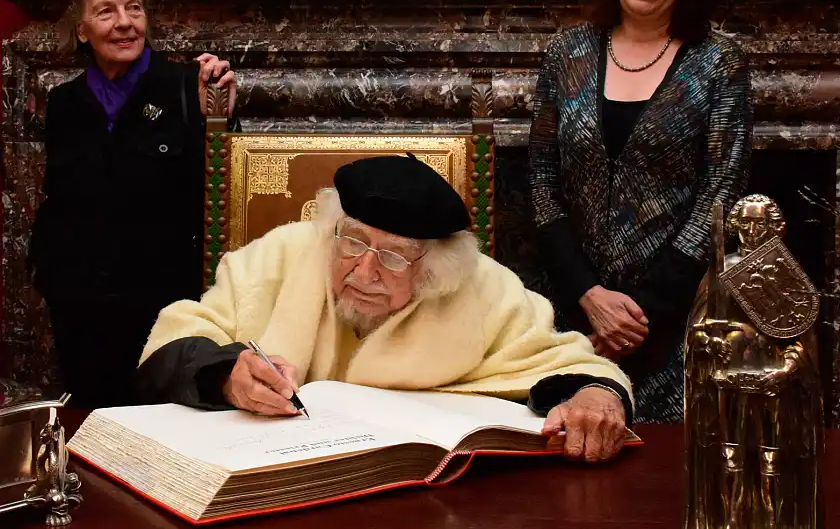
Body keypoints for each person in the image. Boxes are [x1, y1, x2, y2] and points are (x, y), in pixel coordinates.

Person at [137, 155, 633, 462]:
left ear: (435, 270)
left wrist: (596, 397)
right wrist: (225, 374)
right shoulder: (280, 255)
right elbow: (176, 337)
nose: (365, 271)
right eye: (352, 242)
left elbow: (574, 365)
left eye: (394, 257)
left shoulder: (482, 287)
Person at [528, 0, 753, 422]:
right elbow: (540, 182)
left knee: (656, 462)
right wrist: (588, 295)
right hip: (569, 317)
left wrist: (637, 317)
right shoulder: (566, 54)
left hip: (674, 325)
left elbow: (721, 194)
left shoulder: (720, 63)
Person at [29, 0, 238, 409]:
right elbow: (57, 199)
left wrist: (220, 116)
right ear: (82, 29)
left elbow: (223, 182)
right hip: (82, 310)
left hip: (163, 311)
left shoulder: (188, 88)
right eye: (106, 11)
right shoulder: (65, 102)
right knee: (93, 427)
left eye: (134, 8)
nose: (124, 23)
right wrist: (46, 273)